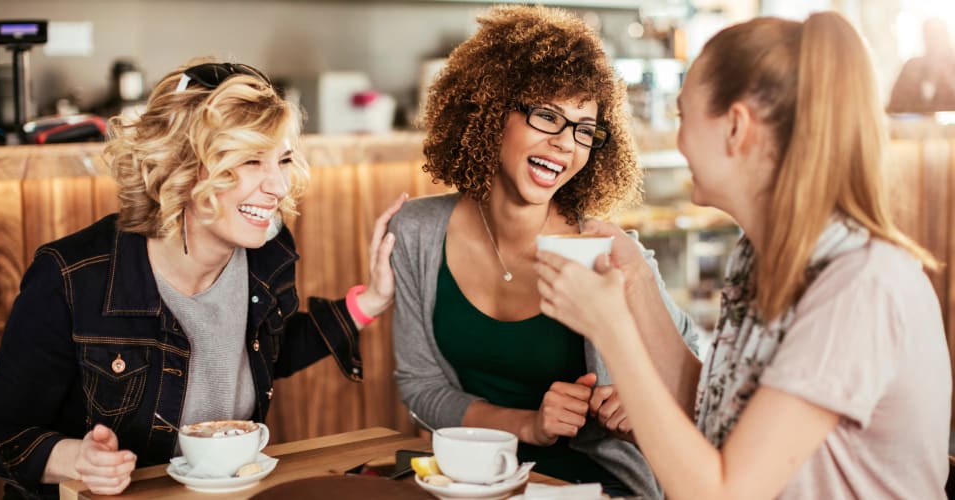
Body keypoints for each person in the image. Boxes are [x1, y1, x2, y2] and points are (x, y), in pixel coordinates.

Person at [537, 11, 951, 499]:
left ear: (735, 127)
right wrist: (637, 285)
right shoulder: (759, 256)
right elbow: (714, 412)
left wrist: (612, 329)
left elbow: (724, 493)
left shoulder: (859, 285)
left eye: (683, 115)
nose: (678, 140)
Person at [0, 60, 406, 499]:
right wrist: (76, 459)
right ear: (181, 167)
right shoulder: (72, 277)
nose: (279, 186)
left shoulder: (268, 253)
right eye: (251, 160)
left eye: (284, 159)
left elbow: (265, 349)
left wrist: (371, 300)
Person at [388, 6, 699, 498]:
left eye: (582, 129)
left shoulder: (608, 252)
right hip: (471, 484)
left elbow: (695, 383)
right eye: (547, 115)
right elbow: (422, 388)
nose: (563, 144)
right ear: (489, 109)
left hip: (596, 486)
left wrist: (638, 407)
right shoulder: (416, 233)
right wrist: (529, 424)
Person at [888, 17, 955, 113]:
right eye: (930, 36)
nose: (934, 42)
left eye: (938, 35)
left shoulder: (952, 67)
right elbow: (894, 106)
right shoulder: (911, 67)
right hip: (914, 126)